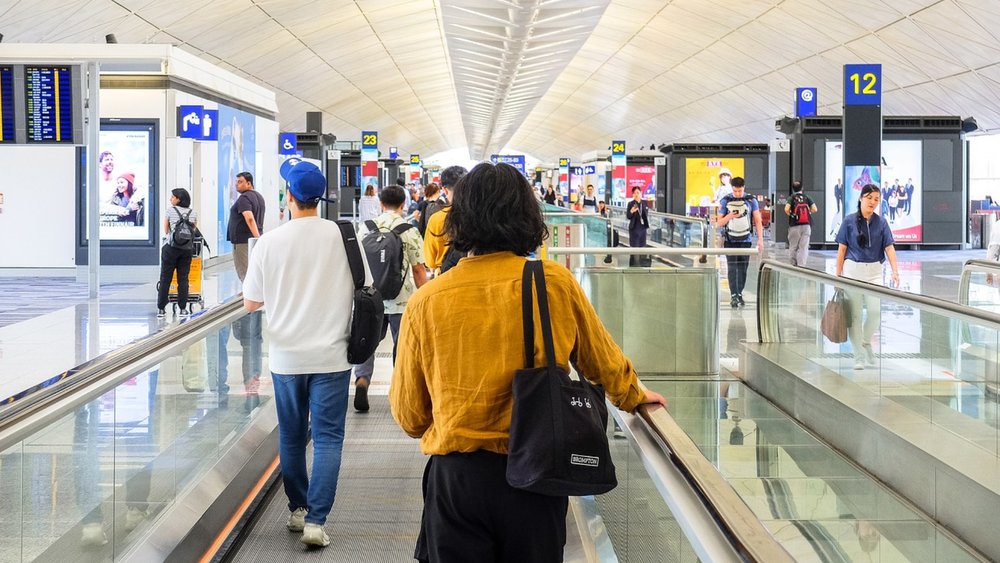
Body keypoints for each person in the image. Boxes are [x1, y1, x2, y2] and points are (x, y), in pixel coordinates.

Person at [389, 162, 666, 563]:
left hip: (457, 482)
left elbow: (410, 417)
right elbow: (602, 362)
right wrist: (635, 396)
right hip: (538, 473)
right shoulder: (552, 282)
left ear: (459, 220)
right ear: (528, 215)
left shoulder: (427, 301)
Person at [243, 160, 373, 548]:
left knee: (293, 436)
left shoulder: (270, 242)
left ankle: (298, 509)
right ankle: (318, 521)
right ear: (320, 198)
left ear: (288, 198)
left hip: (286, 358)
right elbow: (365, 286)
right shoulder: (344, 237)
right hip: (332, 357)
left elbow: (251, 302)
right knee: (330, 438)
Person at [353, 184, 428, 412]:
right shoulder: (409, 229)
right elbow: (418, 270)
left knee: (367, 342)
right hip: (401, 300)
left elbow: (357, 264)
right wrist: (425, 297)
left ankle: (362, 380)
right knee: (402, 345)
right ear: (403, 204)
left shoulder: (366, 228)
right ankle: (399, 388)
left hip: (370, 298)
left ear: (381, 204)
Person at [835, 184, 900, 371]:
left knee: (875, 312)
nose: (873, 202)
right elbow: (842, 249)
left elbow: (889, 247)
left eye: (876, 199)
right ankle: (858, 357)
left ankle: (865, 342)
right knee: (854, 316)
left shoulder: (882, 223)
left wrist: (895, 271)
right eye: (870, 198)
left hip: (874, 273)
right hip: (852, 272)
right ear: (861, 198)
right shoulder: (848, 221)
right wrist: (838, 276)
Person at [717, 177, 764, 308]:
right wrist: (729, 216)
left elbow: (758, 220)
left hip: (746, 240)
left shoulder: (751, 200)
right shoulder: (726, 200)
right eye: (735, 191)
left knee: (743, 268)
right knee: (732, 268)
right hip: (730, 240)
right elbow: (719, 222)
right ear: (732, 189)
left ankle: (739, 293)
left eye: (740, 191)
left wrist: (760, 239)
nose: (738, 193)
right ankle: (734, 295)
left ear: (744, 188)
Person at [156, 188, 198, 318]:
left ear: (178, 199)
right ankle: (183, 309)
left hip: (171, 248)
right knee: (183, 279)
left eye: (172, 197)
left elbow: (166, 230)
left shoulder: (170, 211)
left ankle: (162, 309)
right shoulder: (193, 213)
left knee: (165, 278)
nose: (171, 199)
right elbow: (193, 230)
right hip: (186, 250)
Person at [423, 165, 468, 273]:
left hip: (445, 276)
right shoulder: (479, 216)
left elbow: (430, 261)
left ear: (445, 190)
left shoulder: (436, 219)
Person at [227, 171, 264, 282]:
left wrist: (256, 238)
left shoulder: (244, 198)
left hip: (243, 241)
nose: (236, 184)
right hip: (252, 239)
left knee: (245, 274)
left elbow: (249, 218)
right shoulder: (259, 197)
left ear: (249, 183)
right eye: (236, 182)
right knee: (254, 272)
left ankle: (249, 298)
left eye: (240, 181)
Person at [784, 181, 818, 267]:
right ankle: (802, 266)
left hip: (794, 225)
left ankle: (793, 265)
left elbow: (786, 209)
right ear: (802, 188)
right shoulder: (807, 197)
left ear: (793, 189)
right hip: (806, 225)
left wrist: (792, 214)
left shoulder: (791, 198)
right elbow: (815, 209)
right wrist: (808, 212)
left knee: (793, 246)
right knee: (803, 247)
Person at [626, 186, 650, 267]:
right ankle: (635, 265)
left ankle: (642, 265)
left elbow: (646, 214)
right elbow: (628, 216)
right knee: (635, 248)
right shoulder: (631, 204)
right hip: (634, 229)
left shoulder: (644, 203)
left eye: (638, 192)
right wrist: (632, 211)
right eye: (635, 193)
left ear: (641, 193)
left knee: (642, 247)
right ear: (633, 194)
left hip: (642, 229)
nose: (636, 194)